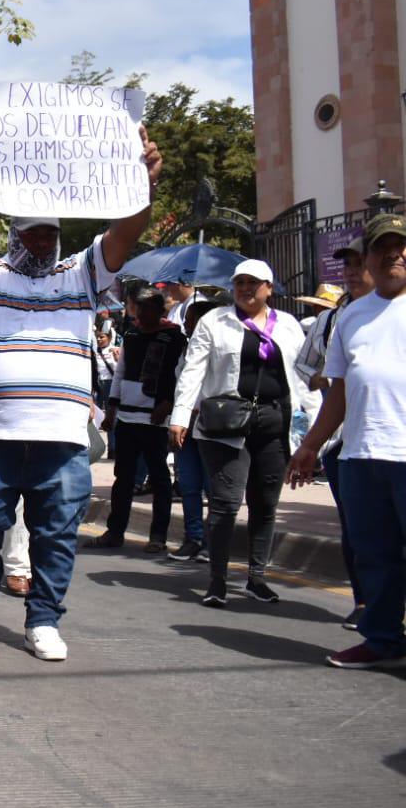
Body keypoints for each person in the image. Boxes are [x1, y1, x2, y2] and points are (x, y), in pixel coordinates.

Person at [0, 127, 164, 662]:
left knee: (57, 536)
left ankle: (42, 619)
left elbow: (124, 232)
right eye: (32, 233)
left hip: (62, 439)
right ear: (15, 235)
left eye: (50, 233)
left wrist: (142, 182)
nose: (42, 242)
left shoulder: (83, 277)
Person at [289, 213, 406, 668]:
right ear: (369, 258)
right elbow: (337, 391)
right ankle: (382, 641)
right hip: (360, 454)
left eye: (401, 246)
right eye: (383, 248)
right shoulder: (352, 316)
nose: (393, 254)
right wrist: (310, 445)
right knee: (373, 555)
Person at [169, 259, 307, 607]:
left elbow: (304, 378)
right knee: (225, 504)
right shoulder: (215, 321)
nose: (246, 288)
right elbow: (192, 369)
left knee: (264, 505)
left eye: (254, 283)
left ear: (269, 288)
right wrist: (181, 415)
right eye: (240, 282)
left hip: (275, 424)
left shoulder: (288, 325)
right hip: (225, 423)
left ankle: (256, 578)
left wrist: (315, 433)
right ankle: (217, 581)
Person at [293, 251, 372, 627]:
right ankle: (365, 602)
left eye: (361, 265)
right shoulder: (333, 320)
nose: (354, 273)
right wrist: (310, 443)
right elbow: (307, 366)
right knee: (357, 527)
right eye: (350, 267)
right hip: (344, 441)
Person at [88, 286, 187, 552]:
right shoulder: (131, 335)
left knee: (159, 478)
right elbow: (120, 374)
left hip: (156, 419)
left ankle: (158, 536)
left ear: (159, 310)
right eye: (137, 308)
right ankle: (115, 531)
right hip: (128, 417)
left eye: (146, 309)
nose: (140, 314)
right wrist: (111, 411)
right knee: (124, 478)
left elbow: (182, 375)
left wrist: (168, 404)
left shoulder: (174, 338)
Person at [167, 298, 226, 563]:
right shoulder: (185, 348)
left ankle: (213, 542)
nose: (187, 324)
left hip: (209, 425)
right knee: (188, 485)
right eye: (187, 319)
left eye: (192, 319)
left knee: (212, 487)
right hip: (185, 426)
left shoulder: (220, 349)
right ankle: (193, 537)